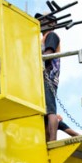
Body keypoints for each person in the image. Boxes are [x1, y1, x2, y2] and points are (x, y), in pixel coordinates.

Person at [37, 13, 62, 142]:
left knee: (50, 109)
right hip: (43, 77)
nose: (41, 22)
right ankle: (47, 139)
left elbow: (48, 54)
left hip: (49, 76)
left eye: (45, 20)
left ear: (52, 23)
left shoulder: (51, 35)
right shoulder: (42, 39)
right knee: (44, 110)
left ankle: (52, 140)